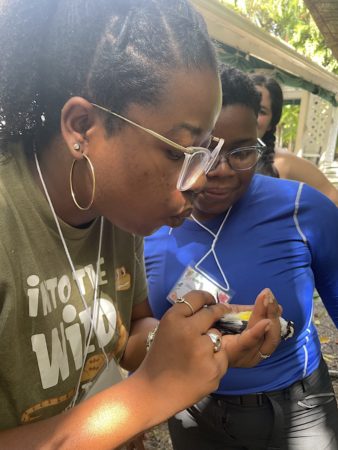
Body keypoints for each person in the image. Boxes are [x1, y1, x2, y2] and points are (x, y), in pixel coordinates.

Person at [0, 1, 283, 449]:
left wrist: (204, 342)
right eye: (179, 153)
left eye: (204, 155)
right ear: (82, 126)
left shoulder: (117, 213)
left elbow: (129, 336)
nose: (202, 181)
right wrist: (148, 395)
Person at [145, 65, 338, 449]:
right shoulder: (144, 221)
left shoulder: (302, 210)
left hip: (301, 413)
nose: (220, 171)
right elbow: (137, 330)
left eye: (242, 152)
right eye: (203, 152)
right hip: (195, 413)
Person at [251, 74, 338, 206]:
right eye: (248, 106)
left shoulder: (282, 162)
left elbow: (332, 196)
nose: (252, 116)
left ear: (271, 123)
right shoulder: (213, 150)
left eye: (262, 111)